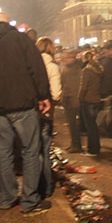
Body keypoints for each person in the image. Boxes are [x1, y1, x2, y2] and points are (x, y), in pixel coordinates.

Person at [0, 12, 52, 214]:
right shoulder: (21, 40)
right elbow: (37, 68)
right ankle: (29, 200)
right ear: (8, 23)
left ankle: (7, 198)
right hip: (23, 104)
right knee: (30, 152)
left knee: (4, 153)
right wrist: (43, 96)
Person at [36, 37, 62, 198]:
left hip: (32, 110)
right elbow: (56, 93)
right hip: (47, 111)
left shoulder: (31, 64)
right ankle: (45, 187)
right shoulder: (52, 66)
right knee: (45, 149)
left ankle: (34, 184)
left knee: (32, 149)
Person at [78, 50, 104, 156]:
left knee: (90, 126)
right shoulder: (98, 70)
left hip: (88, 100)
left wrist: (80, 98)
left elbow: (83, 87)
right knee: (93, 125)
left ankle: (92, 149)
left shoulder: (86, 71)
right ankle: (96, 147)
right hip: (96, 99)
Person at [60, 49, 83, 153]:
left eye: (66, 57)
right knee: (71, 123)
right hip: (67, 98)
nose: (64, 59)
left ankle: (76, 145)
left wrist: (76, 98)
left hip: (74, 98)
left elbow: (75, 85)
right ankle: (73, 143)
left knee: (74, 124)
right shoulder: (65, 67)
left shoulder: (77, 69)